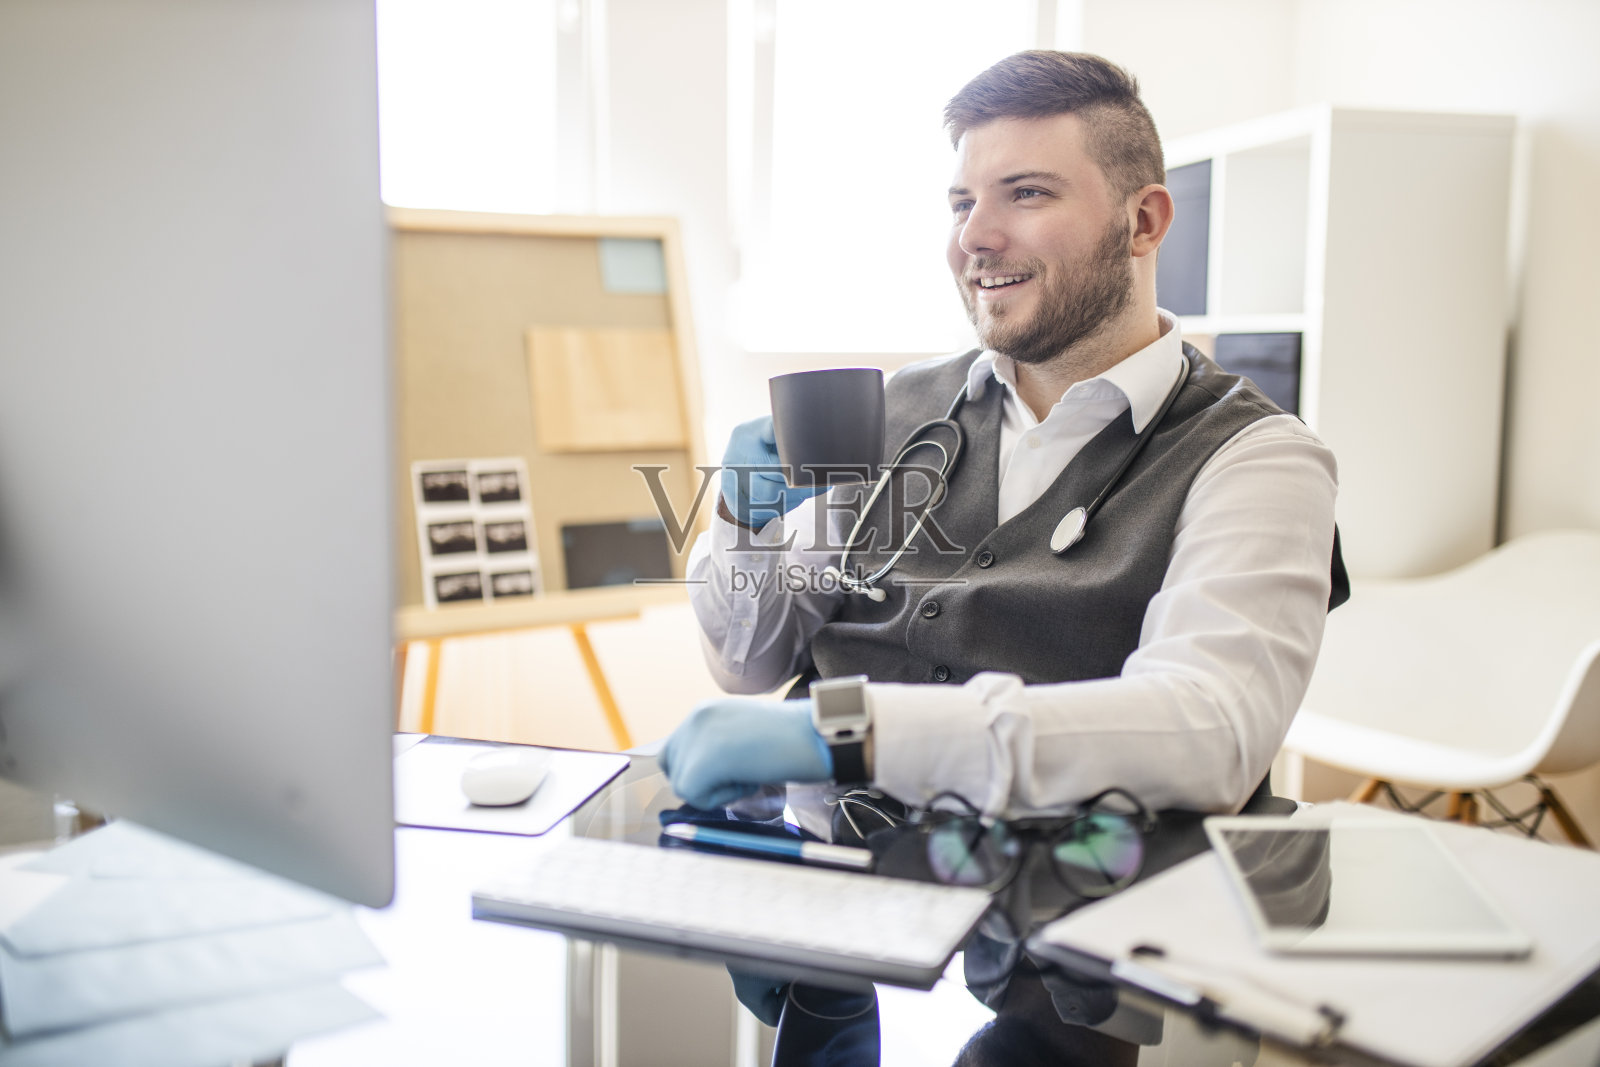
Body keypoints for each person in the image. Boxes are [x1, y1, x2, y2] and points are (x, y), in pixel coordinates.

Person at [660, 49, 1343, 839]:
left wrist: (848, 734)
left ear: (1144, 222)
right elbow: (747, 664)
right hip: (821, 873)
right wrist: (741, 522)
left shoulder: (1259, 460)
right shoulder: (895, 411)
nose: (974, 238)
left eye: (1026, 193)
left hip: (1074, 894)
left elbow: (1207, 731)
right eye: (961, 203)